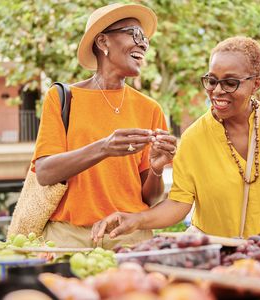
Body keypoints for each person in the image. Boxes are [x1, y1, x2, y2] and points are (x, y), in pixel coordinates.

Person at [91, 36, 260, 241]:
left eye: (230, 83)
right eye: (212, 80)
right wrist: (136, 220)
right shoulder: (193, 138)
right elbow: (179, 203)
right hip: (222, 259)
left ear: (256, 84)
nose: (217, 91)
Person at [33, 3, 177, 249]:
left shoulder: (150, 108)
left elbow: (149, 199)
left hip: (129, 237)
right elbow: (45, 173)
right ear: (103, 42)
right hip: (69, 238)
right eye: (135, 34)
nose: (143, 43)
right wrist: (104, 148)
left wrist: (156, 169)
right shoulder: (61, 97)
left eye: (145, 39)